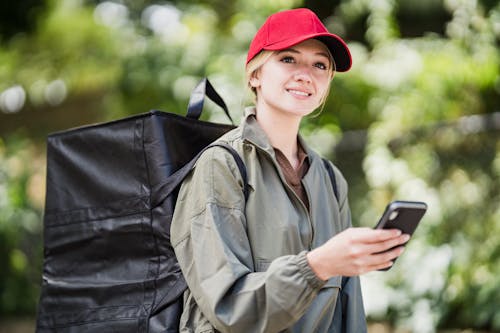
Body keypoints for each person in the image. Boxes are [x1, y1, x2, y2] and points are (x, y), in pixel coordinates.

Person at [171, 8, 410, 333]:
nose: (305, 73)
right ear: (255, 74)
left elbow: (348, 305)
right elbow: (229, 308)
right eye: (288, 59)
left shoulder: (330, 179)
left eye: (320, 65)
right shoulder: (222, 164)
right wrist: (318, 265)